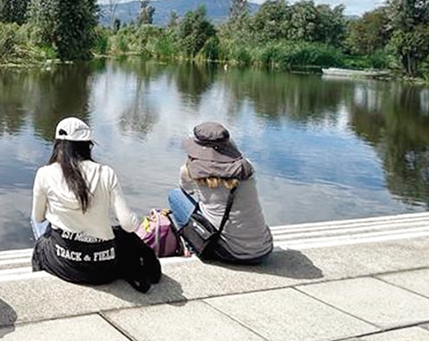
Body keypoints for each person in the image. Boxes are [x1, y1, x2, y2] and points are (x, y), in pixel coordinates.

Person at [30, 117, 144, 285]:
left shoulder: (44, 173)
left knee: (38, 222)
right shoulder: (106, 173)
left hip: (65, 265)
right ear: (87, 145)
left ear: (58, 145)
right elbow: (128, 224)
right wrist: (138, 219)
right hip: (103, 267)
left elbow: (38, 218)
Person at [168, 122, 273, 264]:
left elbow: (187, 191)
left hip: (228, 253)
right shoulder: (247, 168)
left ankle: (192, 246)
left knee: (175, 196)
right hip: (263, 250)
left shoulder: (189, 170)